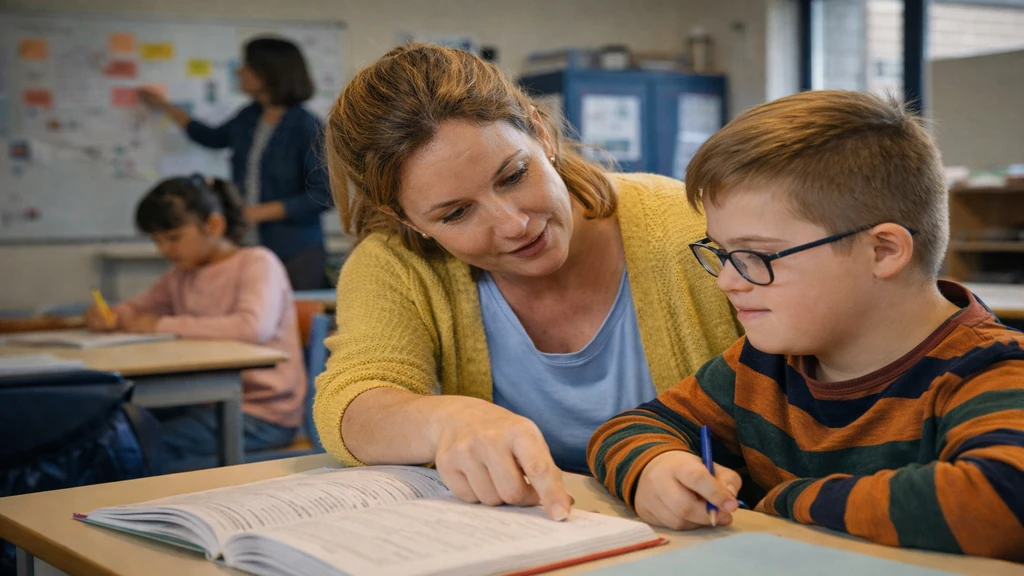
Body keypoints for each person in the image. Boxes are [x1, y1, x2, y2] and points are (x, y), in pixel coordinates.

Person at [586, 91, 1024, 560]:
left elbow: (1002, 499)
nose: (729, 282)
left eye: (756, 255)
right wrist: (657, 466)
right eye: (724, 254)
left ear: (883, 251)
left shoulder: (993, 368)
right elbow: (631, 427)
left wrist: (780, 501)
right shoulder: (761, 364)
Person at [314, 44, 741, 521]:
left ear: (541, 133)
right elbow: (352, 401)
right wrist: (445, 420)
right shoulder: (395, 265)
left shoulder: (691, 226)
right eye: (456, 213)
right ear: (405, 218)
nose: (513, 223)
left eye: (515, 175)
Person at [85, 175, 306, 468]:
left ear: (214, 225)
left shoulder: (256, 263)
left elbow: (250, 328)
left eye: (173, 237)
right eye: (157, 240)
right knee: (106, 425)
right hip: (202, 400)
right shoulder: (182, 273)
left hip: (261, 413)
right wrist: (108, 316)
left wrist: (157, 325)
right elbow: (135, 310)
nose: (164, 249)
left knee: (130, 446)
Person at [138, 37, 330, 290]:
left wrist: (256, 213)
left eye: (247, 66)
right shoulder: (249, 116)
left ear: (268, 71)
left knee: (294, 320)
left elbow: (323, 194)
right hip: (247, 242)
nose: (239, 72)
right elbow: (210, 136)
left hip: (295, 249)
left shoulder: (307, 126)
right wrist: (164, 106)